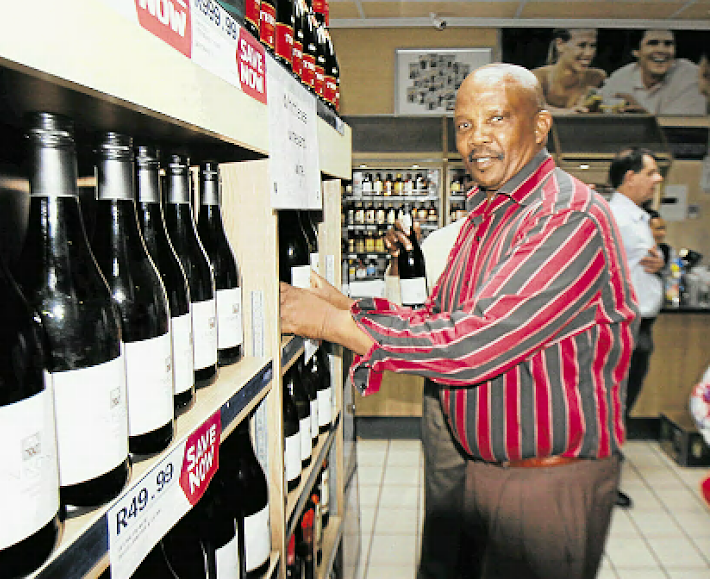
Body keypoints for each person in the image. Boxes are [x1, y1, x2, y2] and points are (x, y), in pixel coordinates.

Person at [281, 63, 638, 579]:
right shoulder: (488, 216)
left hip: (547, 483)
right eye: (465, 125)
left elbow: (472, 343)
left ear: (539, 127)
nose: (477, 139)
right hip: (486, 473)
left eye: (496, 119)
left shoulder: (566, 216)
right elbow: (439, 318)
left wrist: (326, 325)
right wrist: (345, 307)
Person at [382, 216, 470, 579]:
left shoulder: (541, 229)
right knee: (446, 513)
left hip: (513, 404)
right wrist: (398, 260)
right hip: (447, 394)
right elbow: (402, 309)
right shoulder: (445, 240)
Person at [608, 148, 665, 509]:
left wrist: (659, 262)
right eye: (652, 172)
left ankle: (607, 469)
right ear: (630, 178)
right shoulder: (613, 217)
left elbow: (638, 261)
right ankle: (602, 481)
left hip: (641, 323)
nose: (657, 179)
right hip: (625, 326)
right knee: (614, 405)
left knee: (623, 405)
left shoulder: (637, 217)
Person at [599, 29, 707, 115]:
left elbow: (680, 131)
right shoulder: (622, 75)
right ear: (636, 51)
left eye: (668, 44)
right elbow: (601, 104)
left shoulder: (689, 74)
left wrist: (643, 118)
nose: (662, 50)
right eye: (653, 43)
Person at [531, 28, 606, 112]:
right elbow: (531, 108)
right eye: (581, 45)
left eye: (592, 46)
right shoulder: (537, 77)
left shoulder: (596, 77)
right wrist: (567, 113)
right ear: (560, 45)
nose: (589, 53)